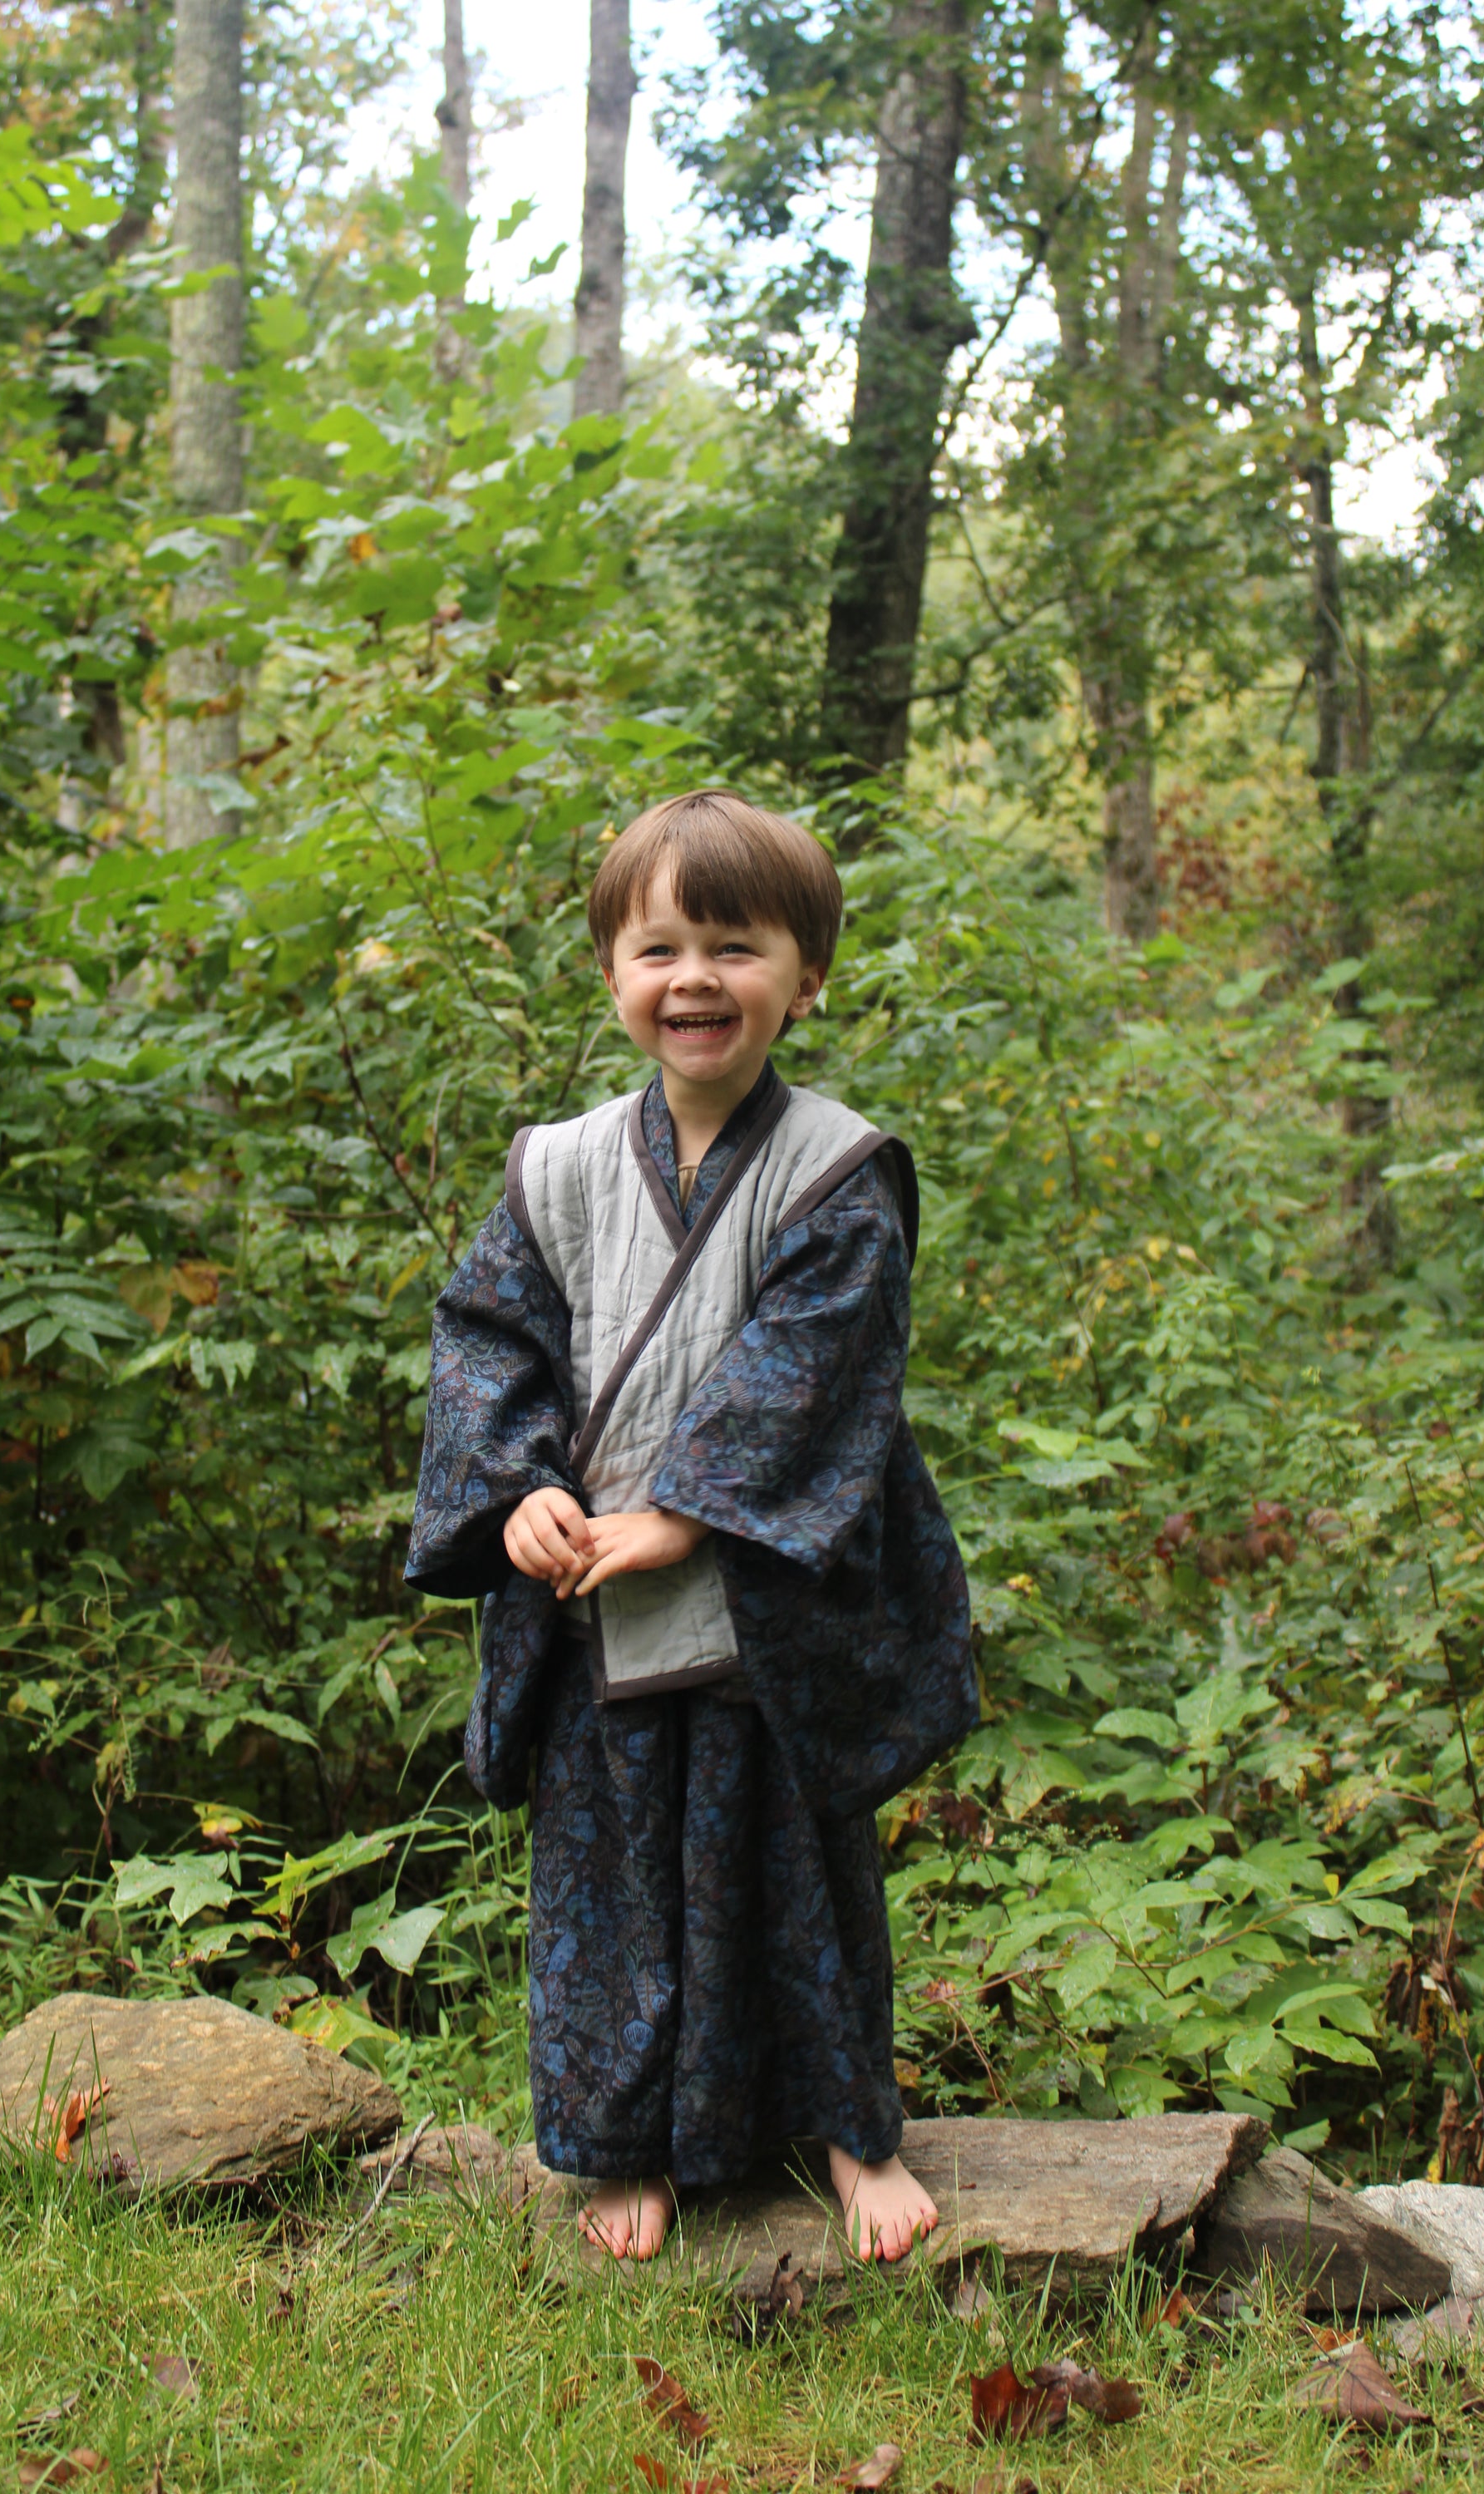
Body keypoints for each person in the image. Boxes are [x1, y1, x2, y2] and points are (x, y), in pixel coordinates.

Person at [405, 788, 977, 2263]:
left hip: (770, 1604)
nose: (695, 980)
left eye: (736, 945)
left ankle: (856, 2135)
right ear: (612, 972)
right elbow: (489, 1342)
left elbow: (821, 1363)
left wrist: (684, 1512)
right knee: (610, 1883)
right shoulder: (558, 1167)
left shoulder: (839, 1170)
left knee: (800, 1874)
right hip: (595, 1597)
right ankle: (626, 2143)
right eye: (659, 947)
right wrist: (520, 1484)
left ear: (808, 974)